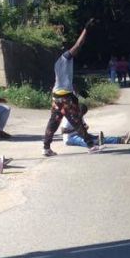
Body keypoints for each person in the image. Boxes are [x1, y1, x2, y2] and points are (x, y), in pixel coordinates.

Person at [43, 20, 101, 157]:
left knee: (53, 123)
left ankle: (46, 148)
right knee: (76, 121)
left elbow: (65, 81)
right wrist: (86, 29)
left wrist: (78, 90)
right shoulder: (64, 58)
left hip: (57, 97)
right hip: (65, 98)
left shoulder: (59, 63)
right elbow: (78, 45)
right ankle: (91, 146)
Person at [62, 104, 130, 147]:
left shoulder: (80, 116)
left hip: (80, 134)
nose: (82, 115)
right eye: (81, 113)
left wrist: (85, 127)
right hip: (70, 138)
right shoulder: (68, 117)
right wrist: (77, 129)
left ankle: (121, 139)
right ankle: (96, 142)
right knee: (83, 140)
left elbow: (84, 125)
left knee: (98, 137)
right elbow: (63, 131)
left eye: (83, 114)